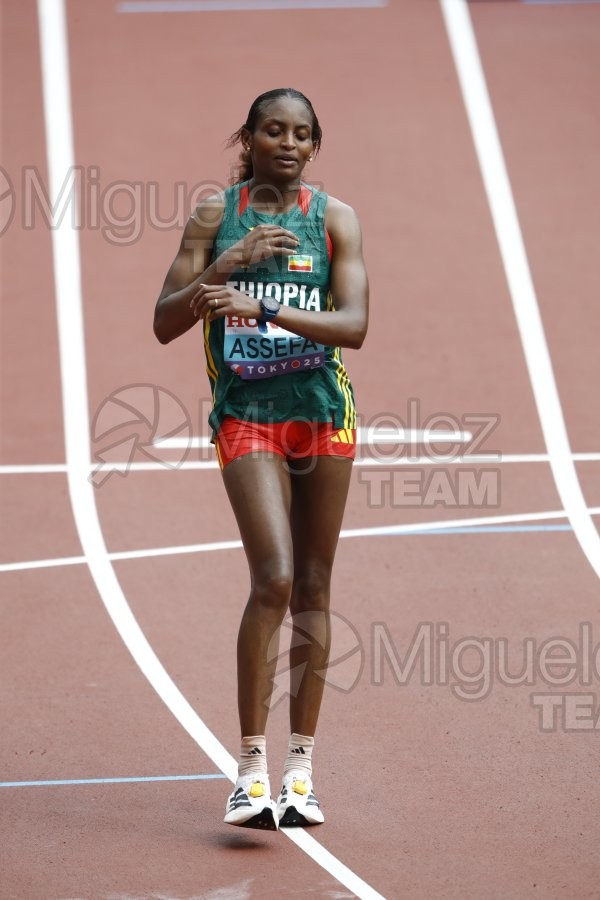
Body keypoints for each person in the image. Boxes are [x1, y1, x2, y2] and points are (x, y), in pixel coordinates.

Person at [154, 88, 369, 830]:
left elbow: (354, 325)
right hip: (247, 417)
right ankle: (250, 770)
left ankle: (301, 771)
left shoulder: (334, 219)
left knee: (314, 584)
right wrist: (230, 266)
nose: (286, 141)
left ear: (314, 145)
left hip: (323, 416)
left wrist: (266, 308)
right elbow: (163, 322)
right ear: (248, 137)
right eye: (272, 129)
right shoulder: (217, 216)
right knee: (273, 574)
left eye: (301, 132)